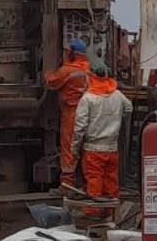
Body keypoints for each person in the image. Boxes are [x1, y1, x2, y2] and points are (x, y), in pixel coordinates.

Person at [71, 61, 132, 213]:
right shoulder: (117, 94)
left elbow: (80, 127)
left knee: (94, 182)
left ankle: (93, 215)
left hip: (93, 149)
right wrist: (116, 118)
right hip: (112, 148)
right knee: (111, 182)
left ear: (90, 77)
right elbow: (129, 108)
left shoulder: (88, 98)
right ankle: (111, 214)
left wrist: (75, 147)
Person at [44, 38, 90, 189]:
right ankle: (86, 184)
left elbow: (51, 82)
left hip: (71, 114)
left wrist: (47, 72)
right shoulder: (87, 69)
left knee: (69, 148)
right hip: (88, 113)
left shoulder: (67, 71)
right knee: (85, 148)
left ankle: (67, 185)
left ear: (71, 54)